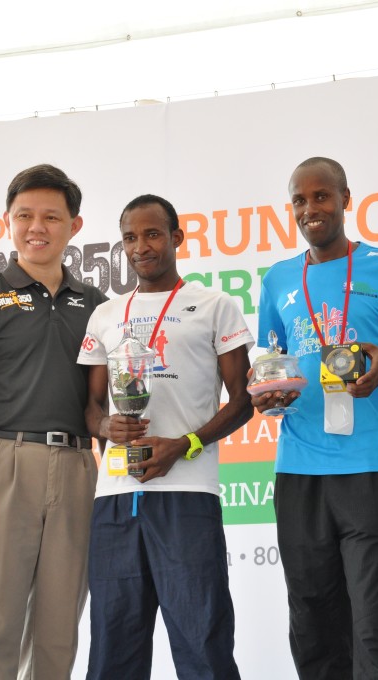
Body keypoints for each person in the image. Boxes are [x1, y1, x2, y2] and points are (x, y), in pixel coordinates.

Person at [254, 157, 378, 680]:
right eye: (300, 201)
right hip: (299, 470)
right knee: (311, 618)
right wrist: (269, 396)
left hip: (372, 468)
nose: (312, 209)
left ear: (346, 199)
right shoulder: (278, 279)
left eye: (322, 196)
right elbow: (271, 369)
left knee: (373, 620)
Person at [77, 194, 254, 680]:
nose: (141, 246)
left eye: (152, 234)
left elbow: (242, 400)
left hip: (186, 495)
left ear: (176, 237)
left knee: (203, 645)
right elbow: (90, 408)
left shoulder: (215, 305)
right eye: (130, 237)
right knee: (113, 650)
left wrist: (186, 444)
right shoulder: (105, 316)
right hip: (115, 498)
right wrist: (105, 426)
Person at [0, 164, 106, 679]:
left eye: (51, 217)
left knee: (60, 633)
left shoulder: (96, 306)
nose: (37, 227)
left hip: (78, 466)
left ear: (74, 226)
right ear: (7, 222)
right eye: (25, 216)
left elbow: (102, 404)